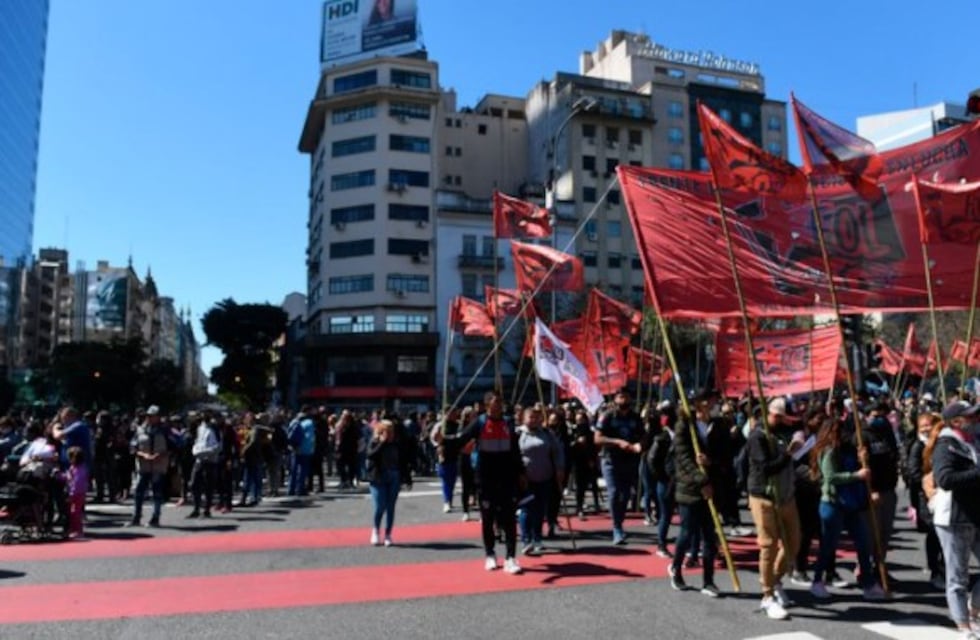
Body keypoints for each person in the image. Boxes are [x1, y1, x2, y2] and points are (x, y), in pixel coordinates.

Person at [445, 390, 525, 574]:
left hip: (506, 477)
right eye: (496, 402)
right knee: (488, 518)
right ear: (487, 404)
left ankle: (511, 557)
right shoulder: (479, 423)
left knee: (509, 518)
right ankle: (490, 555)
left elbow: (515, 451)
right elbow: (460, 440)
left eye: (501, 402)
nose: (499, 405)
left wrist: (521, 472)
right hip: (486, 478)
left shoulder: (508, 423)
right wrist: (444, 441)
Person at [808, 414, 886, 602]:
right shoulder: (828, 451)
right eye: (837, 431)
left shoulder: (848, 449)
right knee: (828, 545)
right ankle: (817, 581)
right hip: (833, 503)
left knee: (864, 542)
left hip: (851, 503)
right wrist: (857, 475)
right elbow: (831, 477)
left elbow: (860, 469)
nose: (842, 434)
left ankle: (867, 583)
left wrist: (862, 459)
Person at [746, 397, 802, 620]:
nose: (785, 422)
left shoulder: (782, 432)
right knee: (768, 545)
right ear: (774, 414)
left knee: (794, 542)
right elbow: (764, 467)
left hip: (786, 495)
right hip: (764, 496)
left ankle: (776, 578)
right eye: (782, 417)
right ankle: (767, 595)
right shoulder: (757, 436)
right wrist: (787, 454)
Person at [931, 400, 980, 638]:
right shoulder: (945, 445)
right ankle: (963, 625)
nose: (974, 420)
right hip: (954, 517)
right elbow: (945, 479)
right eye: (969, 417)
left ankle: (975, 609)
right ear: (955, 421)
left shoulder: (975, 442)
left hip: (977, 514)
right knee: (958, 576)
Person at [668, 395, 725, 597]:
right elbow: (682, 457)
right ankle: (676, 568)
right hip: (690, 489)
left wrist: (710, 462)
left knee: (710, 536)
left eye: (713, 403)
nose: (712, 405)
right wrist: (701, 480)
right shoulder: (685, 425)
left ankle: (708, 581)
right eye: (708, 402)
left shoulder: (717, 425)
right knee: (687, 532)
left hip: (711, 488)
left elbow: (725, 454)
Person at [594, 389, 644, 545]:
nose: (624, 399)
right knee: (614, 493)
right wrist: (617, 442)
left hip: (629, 460)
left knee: (626, 495)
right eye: (621, 396)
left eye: (627, 396)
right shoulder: (607, 416)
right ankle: (616, 527)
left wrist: (640, 444)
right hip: (611, 460)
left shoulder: (635, 417)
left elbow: (644, 435)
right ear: (615, 399)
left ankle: (620, 522)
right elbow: (597, 438)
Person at [517, 407, 565, 555]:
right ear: (524, 418)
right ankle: (526, 539)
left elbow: (557, 452)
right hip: (525, 479)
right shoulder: (517, 433)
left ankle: (537, 538)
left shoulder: (546, 433)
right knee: (526, 509)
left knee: (540, 510)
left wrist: (559, 469)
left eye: (536, 417)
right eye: (530, 417)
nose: (533, 420)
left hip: (545, 477)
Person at [906, 411, 945, 589]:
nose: (927, 429)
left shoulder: (939, 443)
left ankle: (942, 567)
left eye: (930, 425)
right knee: (934, 533)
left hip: (940, 493)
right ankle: (935, 570)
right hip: (925, 496)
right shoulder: (917, 446)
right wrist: (930, 479)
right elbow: (912, 473)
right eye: (923, 426)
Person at [129, 406, 171, 527]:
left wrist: (160, 455)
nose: (150, 418)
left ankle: (155, 517)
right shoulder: (140, 430)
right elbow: (133, 447)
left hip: (159, 466)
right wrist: (143, 454)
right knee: (138, 491)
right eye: (149, 415)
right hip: (143, 465)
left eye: (153, 415)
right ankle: (136, 517)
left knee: (157, 492)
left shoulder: (165, 430)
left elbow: (174, 446)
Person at [367, 419, 401, 547]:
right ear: (381, 431)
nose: (390, 434)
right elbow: (370, 455)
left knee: (391, 507)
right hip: (378, 477)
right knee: (380, 505)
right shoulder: (374, 442)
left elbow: (402, 459)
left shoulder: (396, 443)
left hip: (394, 475)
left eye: (392, 431)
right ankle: (375, 530)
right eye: (387, 431)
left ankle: (388, 534)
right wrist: (381, 443)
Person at [189, 413, 221, 519]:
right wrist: (195, 450)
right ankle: (196, 508)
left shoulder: (215, 429)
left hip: (210, 460)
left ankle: (207, 510)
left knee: (209, 486)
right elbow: (198, 441)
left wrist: (205, 453)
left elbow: (218, 446)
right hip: (199, 459)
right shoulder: (200, 428)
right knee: (194, 484)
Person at [430, 406, 461, 514]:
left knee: (452, 479)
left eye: (454, 412)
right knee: (445, 479)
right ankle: (446, 501)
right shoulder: (440, 425)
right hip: (443, 454)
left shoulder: (458, 425)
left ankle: (449, 498)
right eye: (450, 413)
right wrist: (437, 443)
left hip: (455, 455)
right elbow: (433, 438)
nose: (453, 415)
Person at [64, 446, 88, 539]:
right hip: (76, 492)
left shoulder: (79, 469)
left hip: (77, 493)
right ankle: (74, 529)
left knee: (75, 512)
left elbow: (77, 483)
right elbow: (69, 477)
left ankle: (78, 530)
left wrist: (72, 493)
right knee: (73, 512)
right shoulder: (74, 468)